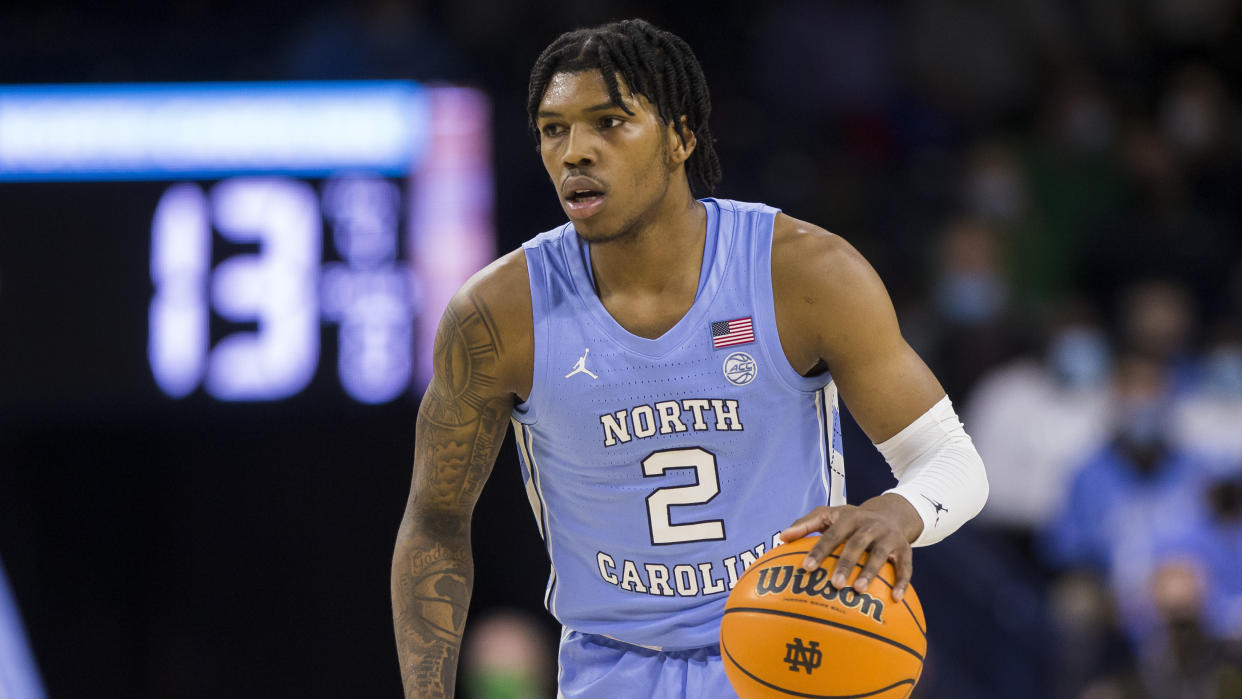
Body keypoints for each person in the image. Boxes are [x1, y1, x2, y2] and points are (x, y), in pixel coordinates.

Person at [391, 19, 989, 698]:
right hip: (611, 667)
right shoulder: (498, 314)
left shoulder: (803, 272)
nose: (575, 150)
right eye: (553, 129)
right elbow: (435, 520)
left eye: (609, 122)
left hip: (796, 647)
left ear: (681, 136)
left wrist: (895, 510)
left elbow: (953, 461)